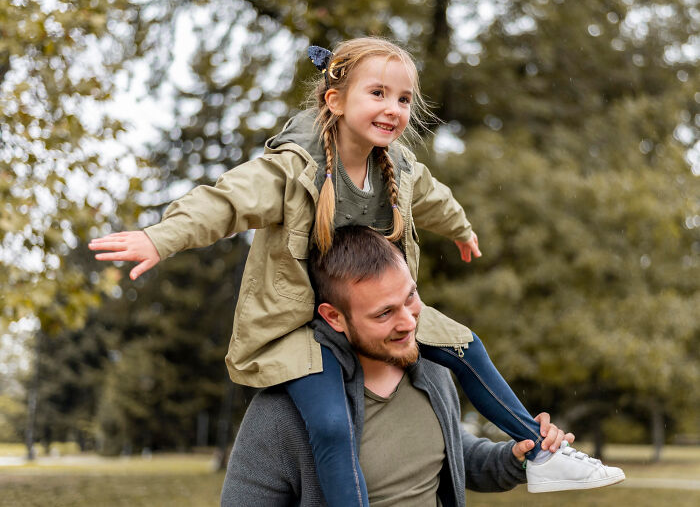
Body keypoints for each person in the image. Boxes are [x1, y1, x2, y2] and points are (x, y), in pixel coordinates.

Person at [89, 37, 624, 504]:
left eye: (404, 98)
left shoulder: (400, 170)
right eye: (378, 93)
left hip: (378, 309)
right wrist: (159, 237)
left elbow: (434, 200)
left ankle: (546, 454)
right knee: (329, 426)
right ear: (335, 100)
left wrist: (460, 230)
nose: (393, 108)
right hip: (302, 328)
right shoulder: (293, 169)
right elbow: (225, 201)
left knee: (467, 349)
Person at [220, 226, 616, 506]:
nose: (409, 322)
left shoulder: (432, 374)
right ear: (334, 317)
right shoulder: (283, 411)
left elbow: (456, 458)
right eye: (384, 314)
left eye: (411, 298)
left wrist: (516, 455)